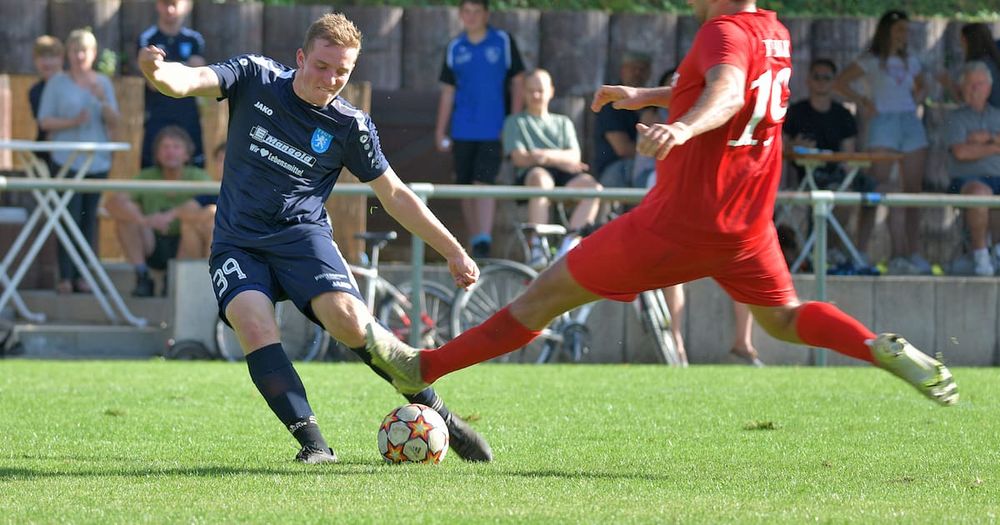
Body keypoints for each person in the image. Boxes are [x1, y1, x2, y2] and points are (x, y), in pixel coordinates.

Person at [365, 0, 958, 410]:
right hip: (747, 225)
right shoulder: (773, 32)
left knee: (542, 296)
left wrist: (681, 129)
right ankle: (875, 347)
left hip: (679, 222)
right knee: (783, 318)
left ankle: (423, 367)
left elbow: (724, 93)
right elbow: (729, 84)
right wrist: (647, 96)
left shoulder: (719, 32)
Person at [138, 12, 493, 464]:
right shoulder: (255, 76)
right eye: (322, 67)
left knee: (347, 318)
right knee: (252, 321)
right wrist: (157, 72)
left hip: (301, 237)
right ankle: (314, 445)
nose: (330, 80)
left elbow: (397, 195)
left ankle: (439, 413)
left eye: (341, 72)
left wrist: (454, 250)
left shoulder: (351, 127)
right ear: (301, 57)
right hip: (238, 241)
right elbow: (189, 80)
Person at [833, 10, 931, 275]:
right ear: (886, 30)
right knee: (875, 186)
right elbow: (840, 82)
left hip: (910, 122)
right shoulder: (870, 59)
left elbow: (922, 87)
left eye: (907, 30)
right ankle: (861, 251)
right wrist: (863, 101)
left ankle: (912, 252)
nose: (904, 34)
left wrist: (919, 98)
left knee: (913, 191)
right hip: (882, 122)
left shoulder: (912, 60)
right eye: (899, 29)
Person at [435, 0, 526, 258]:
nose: (471, 16)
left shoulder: (503, 42)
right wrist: (440, 130)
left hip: (493, 129)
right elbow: (448, 91)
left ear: (486, 14)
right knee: (464, 186)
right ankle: (476, 241)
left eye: (477, 11)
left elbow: (519, 82)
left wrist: (512, 123)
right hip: (462, 129)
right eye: (467, 11)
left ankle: (484, 240)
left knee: (484, 182)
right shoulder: (455, 47)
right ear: (461, 15)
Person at [37, 28, 120, 295]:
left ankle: (84, 275)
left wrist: (102, 100)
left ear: (94, 54)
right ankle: (66, 277)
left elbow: (115, 122)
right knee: (67, 218)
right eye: (75, 50)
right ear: (68, 54)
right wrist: (73, 122)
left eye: (85, 50)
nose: (80, 56)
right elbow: (45, 121)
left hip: (97, 162)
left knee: (88, 219)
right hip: (65, 160)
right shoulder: (57, 83)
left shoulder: (102, 84)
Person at [501, 69, 602, 268]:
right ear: (524, 93)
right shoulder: (515, 122)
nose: (536, 95)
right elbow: (519, 159)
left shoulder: (563, 122)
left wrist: (542, 155)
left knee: (593, 187)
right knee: (541, 178)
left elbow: (575, 156)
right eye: (531, 90)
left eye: (540, 90)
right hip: (532, 178)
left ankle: (570, 244)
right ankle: (539, 245)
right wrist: (559, 158)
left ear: (551, 91)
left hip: (563, 177)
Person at [784, 57, 875, 267]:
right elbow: (780, 148)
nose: (821, 82)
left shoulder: (843, 115)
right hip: (808, 175)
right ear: (808, 80)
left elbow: (848, 155)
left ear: (833, 81)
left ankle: (848, 252)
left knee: (872, 191)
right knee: (839, 195)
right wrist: (795, 147)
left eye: (827, 78)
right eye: (817, 77)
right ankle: (826, 252)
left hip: (839, 175)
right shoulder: (796, 112)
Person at [104, 126, 215, 297]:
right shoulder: (146, 176)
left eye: (176, 147)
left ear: (187, 154)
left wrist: (171, 215)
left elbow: (209, 200)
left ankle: (182, 281)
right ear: (156, 154)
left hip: (185, 245)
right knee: (126, 216)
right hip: (152, 242)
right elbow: (113, 204)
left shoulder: (197, 176)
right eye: (165, 147)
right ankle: (142, 275)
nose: (170, 152)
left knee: (206, 215)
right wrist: (144, 220)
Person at [944, 62, 1000, 276]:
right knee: (980, 193)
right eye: (971, 84)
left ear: (989, 87)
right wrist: (995, 148)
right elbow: (961, 153)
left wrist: (986, 139)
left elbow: (970, 148)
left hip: (997, 177)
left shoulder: (997, 115)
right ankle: (981, 257)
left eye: (980, 84)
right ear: (962, 87)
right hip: (967, 180)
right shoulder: (955, 118)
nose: (976, 89)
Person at [138, 0, 207, 168]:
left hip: (188, 115)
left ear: (187, 5)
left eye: (174, 3)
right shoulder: (148, 38)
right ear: (157, 5)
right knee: (151, 168)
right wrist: (187, 67)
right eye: (165, 3)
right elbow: (152, 83)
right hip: (158, 115)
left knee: (194, 167)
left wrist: (164, 67)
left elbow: (201, 79)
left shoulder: (194, 39)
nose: (170, 9)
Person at [593, 51, 652, 188]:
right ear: (622, 71)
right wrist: (654, 153)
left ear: (649, 72)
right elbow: (623, 149)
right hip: (616, 168)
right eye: (633, 68)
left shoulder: (652, 103)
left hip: (642, 164)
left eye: (642, 69)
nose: (637, 73)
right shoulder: (610, 102)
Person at [939, 23, 1000, 108]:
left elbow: (969, 101)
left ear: (966, 40)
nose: (961, 45)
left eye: (962, 40)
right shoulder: (993, 59)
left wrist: (948, 83)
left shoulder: (978, 67)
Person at [28, 35, 65, 164]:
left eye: (52, 57)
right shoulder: (36, 91)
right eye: (42, 57)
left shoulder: (72, 85)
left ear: (61, 59)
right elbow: (44, 124)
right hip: (45, 152)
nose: (47, 62)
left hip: (73, 148)